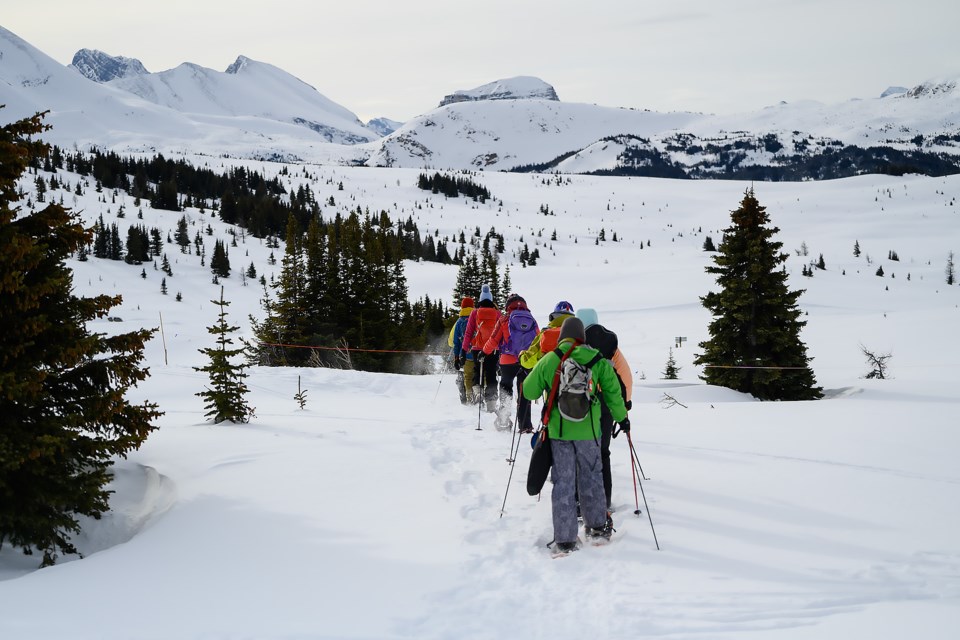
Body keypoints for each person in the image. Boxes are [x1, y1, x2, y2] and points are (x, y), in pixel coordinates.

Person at [523, 317, 629, 554]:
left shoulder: (551, 359)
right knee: (591, 477)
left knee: (563, 482)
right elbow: (613, 394)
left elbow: (529, 391)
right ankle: (597, 528)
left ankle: (566, 540)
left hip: (559, 433)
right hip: (589, 432)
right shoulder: (597, 360)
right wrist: (623, 419)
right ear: (582, 336)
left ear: (562, 336)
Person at [576, 308, 634, 510]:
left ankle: (578, 503)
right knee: (603, 453)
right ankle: (604, 501)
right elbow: (625, 376)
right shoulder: (610, 345)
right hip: (607, 405)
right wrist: (624, 406)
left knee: (578, 454)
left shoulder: (573, 344)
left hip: (578, 405)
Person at [482, 293, 539, 431]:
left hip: (507, 360)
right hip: (526, 360)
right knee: (524, 391)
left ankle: (503, 421)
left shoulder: (504, 319)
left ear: (508, 306)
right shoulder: (532, 319)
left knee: (506, 387)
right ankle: (525, 425)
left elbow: (494, 339)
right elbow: (538, 340)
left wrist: (484, 352)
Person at [462, 283, 501, 411]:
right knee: (491, 374)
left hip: (477, 348)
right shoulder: (497, 313)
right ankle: (491, 402)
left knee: (477, 371)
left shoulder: (475, 313)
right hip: (493, 349)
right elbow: (501, 333)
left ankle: (478, 393)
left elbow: (468, 332)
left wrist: (463, 349)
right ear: (491, 299)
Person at [519, 300, 575, 372]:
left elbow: (529, 361)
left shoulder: (546, 333)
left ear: (554, 316)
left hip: (550, 378)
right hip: (574, 378)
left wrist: (521, 356)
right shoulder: (580, 333)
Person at [450, 296, 476, 405]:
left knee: (467, 377)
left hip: (465, 355)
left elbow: (455, 342)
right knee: (479, 375)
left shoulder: (459, 321)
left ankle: (470, 399)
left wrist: (456, 357)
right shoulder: (477, 317)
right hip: (478, 352)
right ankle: (480, 396)